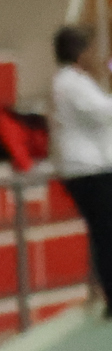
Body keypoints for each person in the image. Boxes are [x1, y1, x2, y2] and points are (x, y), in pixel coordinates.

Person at [49, 25, 112, 308]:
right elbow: (102, 112)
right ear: (79, 52)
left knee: (104, 233)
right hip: (88, 169)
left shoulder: (75, 81)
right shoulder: (70, 83)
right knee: (105, 233)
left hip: (93, 165)